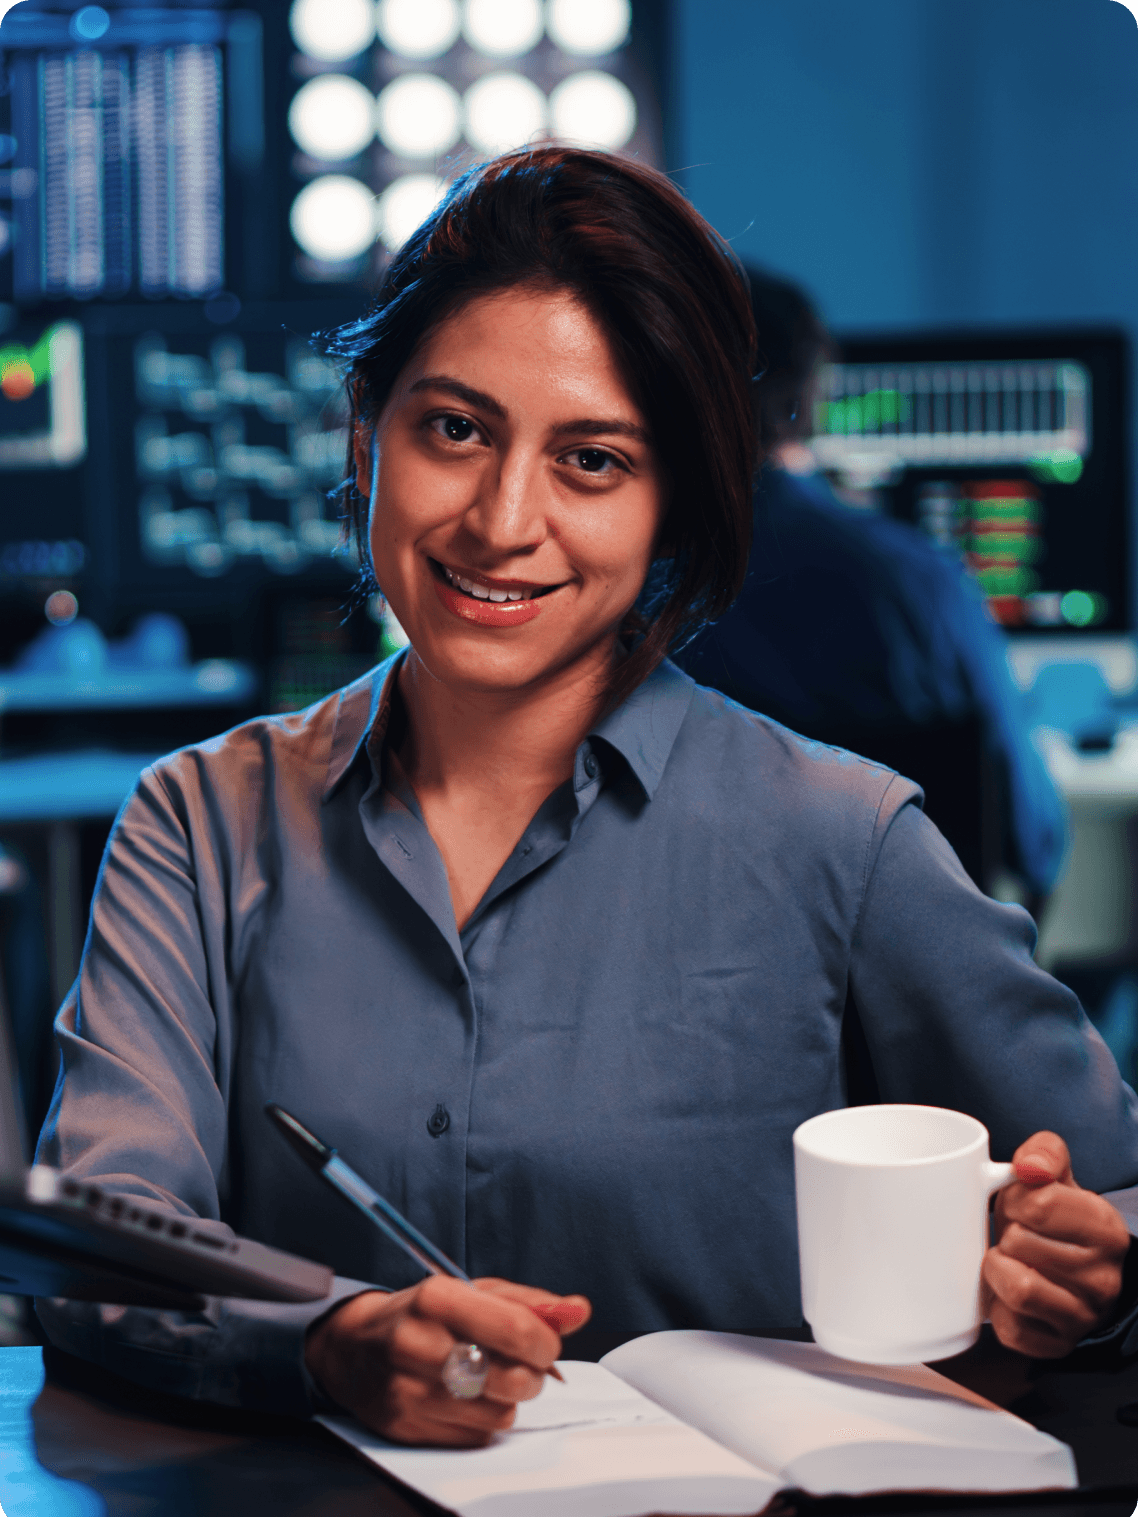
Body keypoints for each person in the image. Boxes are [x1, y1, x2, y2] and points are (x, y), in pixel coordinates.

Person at [34, 149, 1138, 1449]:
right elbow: (100, 1240)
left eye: (593, 461)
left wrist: (1085, 1267)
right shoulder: (201, 824)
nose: (502, 521)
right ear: (365, 435)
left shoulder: (849, 839)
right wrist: (328, 1341)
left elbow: (1107, 1196)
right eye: (454, 429)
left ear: (674, 505)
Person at [681, 270, 1067, 904]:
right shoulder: (922, 582)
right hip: (904, 983)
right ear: (802, 400)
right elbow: (1035, 840)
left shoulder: (633, 594)